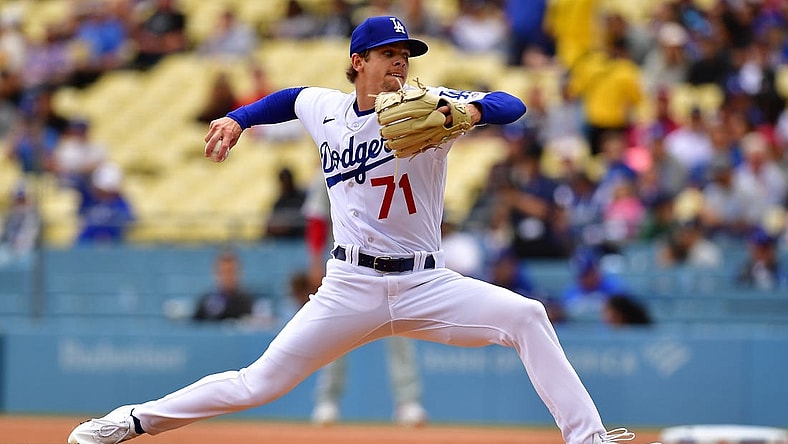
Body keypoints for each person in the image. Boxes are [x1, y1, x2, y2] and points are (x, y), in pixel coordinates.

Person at [68, 16, 649, 444]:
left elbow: (512, 103)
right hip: (350, 285)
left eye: (405, 53)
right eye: (387, 53)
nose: (400, 62)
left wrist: (469, 112)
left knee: (527, 316)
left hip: (427, 283)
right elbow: (289, 98)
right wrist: (239, 117)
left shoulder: (432, 106)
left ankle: (587, 438)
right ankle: (133, 420)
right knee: (257, 384)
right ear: (357, 63)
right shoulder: (327, 108)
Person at [300, 172, 427, 426]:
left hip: (395, 265)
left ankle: (407, 402)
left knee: (401, 333)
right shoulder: (335, 162)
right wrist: (315, 261)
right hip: (348, 268)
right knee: (334, 335)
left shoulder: (394, 162)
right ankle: (328, 400)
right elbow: (317, 220)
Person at [192, 249, 255, 322]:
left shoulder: (249, 302)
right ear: (215, 273)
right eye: (223, 272)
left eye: (231, 271)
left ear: (239, 273)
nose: (227, 276)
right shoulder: (205, 302)